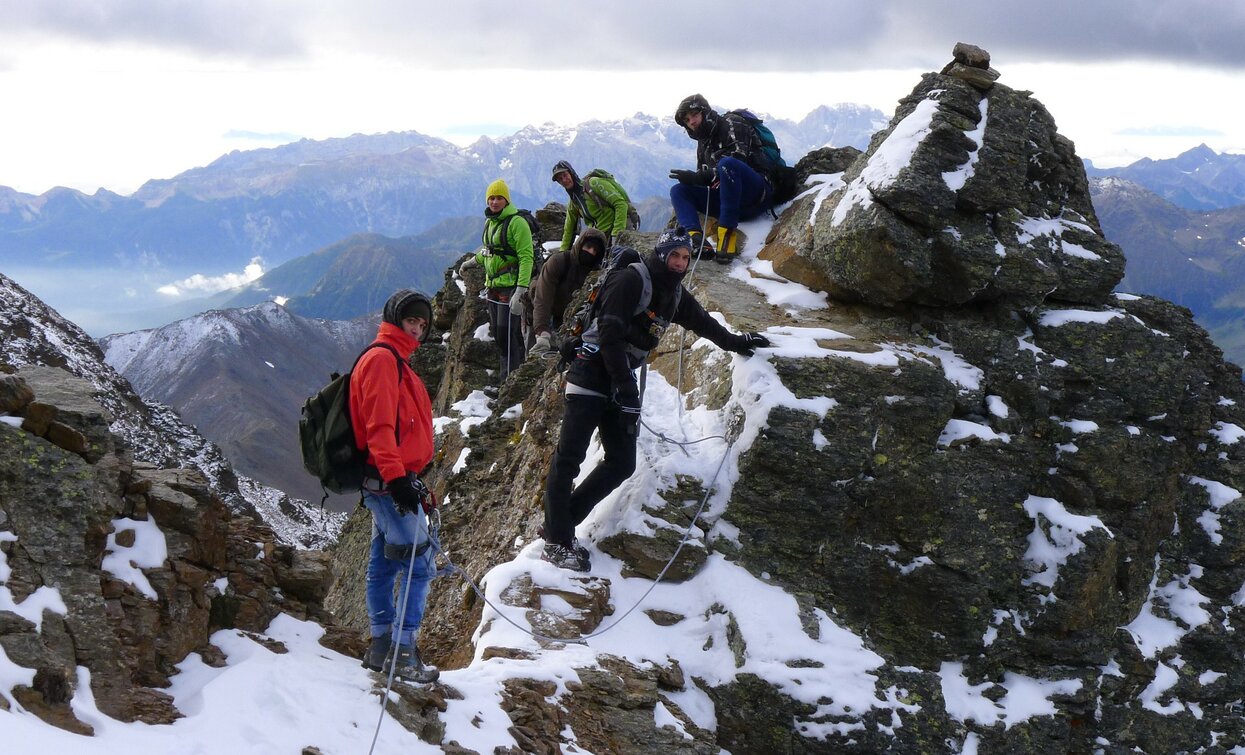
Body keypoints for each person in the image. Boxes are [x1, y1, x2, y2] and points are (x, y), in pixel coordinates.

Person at [540, 228, 771, 570]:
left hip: (618, 380)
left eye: (685, 257)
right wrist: (626, 388)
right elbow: (609, 335)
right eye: (674, 255)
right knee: (569, 458)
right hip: (590, 372)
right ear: (661, 254)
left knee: (621, 463)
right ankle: (557, 542)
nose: (679, 263)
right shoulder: (631, 281)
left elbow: (703, 323)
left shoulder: (673, 293)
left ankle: (560, 524)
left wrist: (738, 342)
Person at [351, 289, 439, 684]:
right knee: (420, 566)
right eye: (411, 321)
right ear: (395, 319)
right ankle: (402, 653)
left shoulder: (394, 359)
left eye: (423, 324)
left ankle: (381, 645)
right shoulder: (383, 361)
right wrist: (398, 479)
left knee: (383, 563)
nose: (417, 329)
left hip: (386, 481)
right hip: (389, 485)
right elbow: (380, 428)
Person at [668, 94, 775, 264]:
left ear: (705, 112)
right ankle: (695, 240)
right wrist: (693, 179)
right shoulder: (703, 142)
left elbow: (737, 162)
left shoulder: (732, 123)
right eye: (687, 120)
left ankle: (726, 237)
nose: (692, 122)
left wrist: (699, 177)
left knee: (727, 164)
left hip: (755, 196)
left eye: (694, 115)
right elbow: (706, 176)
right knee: (678, 191)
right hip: (729, 201)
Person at [460, 179, 533, 379]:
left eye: (499, 198)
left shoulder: (517, 223)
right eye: (491, 198)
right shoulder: (490, 222)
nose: (494, 202)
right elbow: (489, 251)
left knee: (506, 335)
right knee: (500, 335)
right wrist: (472, 262)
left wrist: (521, 290)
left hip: (510, 287)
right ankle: (509, 378)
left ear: (506, 200)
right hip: (493, 286)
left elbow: (526, 257)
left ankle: (511, 381)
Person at [528, 227, 607, 356]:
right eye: (588, 247)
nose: (591, 252)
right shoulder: (559, 262)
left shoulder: (596, 274)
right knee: (535, 354)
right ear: (580, 244)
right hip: (537, 311)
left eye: (596, 250)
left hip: (565, 319)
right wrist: (542, 332)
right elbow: (543, 297)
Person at [551, 161, 635, 252]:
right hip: (600, 237)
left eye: (565, 175)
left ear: (571, 173)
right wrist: (562, 252)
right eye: (560, 179)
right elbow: (569, 229)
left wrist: (616, 234)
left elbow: (620, 204)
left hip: (618, 230)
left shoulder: (594, 183)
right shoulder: (574, 201)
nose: (564, 180)